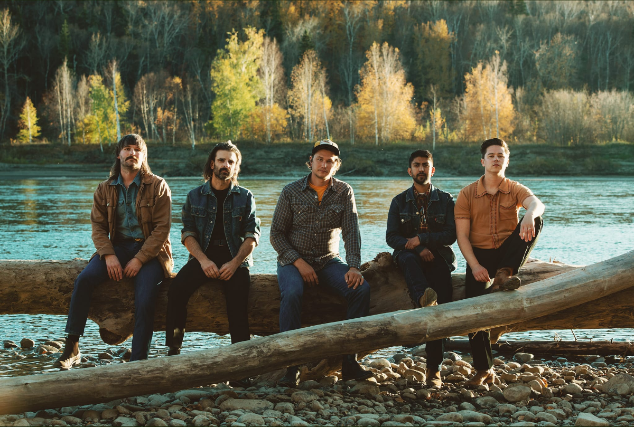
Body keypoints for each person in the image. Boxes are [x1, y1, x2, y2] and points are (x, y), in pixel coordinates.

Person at [55, 134, 173, 369]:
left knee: (145, 297)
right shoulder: (104, 188)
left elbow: (162, 229)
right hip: (117, 248)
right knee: (84, 280)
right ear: (119, 155)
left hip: (152, 252)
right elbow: (98, 228)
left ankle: (138, 361)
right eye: (127, 149)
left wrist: (139, 260)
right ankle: (72, 347)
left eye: (137, 149)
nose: (132, 153)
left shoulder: (158, 185)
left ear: (144, 155)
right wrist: (109, 256)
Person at [270, 139, 373, 387]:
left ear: (336, 165)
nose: (324, 165)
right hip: (292, 261)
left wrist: (354, 266)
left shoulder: (344, 191)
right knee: (292, 293)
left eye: (330, 161)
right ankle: (292, 367)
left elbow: (351, 232)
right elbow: (276, 234)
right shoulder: (290, 191)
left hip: (328, 261)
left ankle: (349, 361)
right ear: (311, 161)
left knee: (361, 289)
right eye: (320, 159)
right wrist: (298, 263)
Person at [455, 138, 545, 386]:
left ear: (506, 161)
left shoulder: (514, 188)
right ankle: (484, 369)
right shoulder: (467, 194)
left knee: (537, 219)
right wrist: (475, 266)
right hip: (480, 256)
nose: (496, 159)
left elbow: (537, 204)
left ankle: (505, 274)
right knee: (475, 312)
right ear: (483, 161)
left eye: (500, 156)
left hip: (507, 254)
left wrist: (529, 214)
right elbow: (462, 236)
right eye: (491, 155)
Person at [165, 142, 260, 365]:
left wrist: (235, 263)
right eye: (221, 160)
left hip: (235, 259)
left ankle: (240, 366)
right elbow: (188, 234)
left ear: (235, 167)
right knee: (176, 291)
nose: (226, 165)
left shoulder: (245, 197)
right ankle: (173, 350)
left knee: (238, 306)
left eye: (231, 162)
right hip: (203, 256)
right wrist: (203, 261)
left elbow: (252, 236)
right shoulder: (194, 196)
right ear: (212, 164)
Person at [386, 149, 456, 388]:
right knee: (407, 258)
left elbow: (450, 234)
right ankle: (422, 298)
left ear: (432, 170)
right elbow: (392, 237)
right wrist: (417, 247)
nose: (421, 169)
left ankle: (433, 369)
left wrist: (423, 240)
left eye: (425, 165)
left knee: (442, 305)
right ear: (410, 170)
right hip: (409, 257)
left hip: (438, 257)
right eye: (416, 165)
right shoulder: (399, 201)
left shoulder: (445, 200)